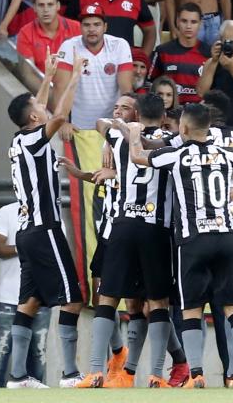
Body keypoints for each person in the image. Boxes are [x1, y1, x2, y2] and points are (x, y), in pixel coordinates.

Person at [124, 103, 233, 389]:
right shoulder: (226, 153)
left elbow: (138, 157)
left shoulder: (176, 153)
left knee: (191, 310)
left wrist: (135, 133)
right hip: (226, 237)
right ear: (208, 128)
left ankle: (196, 373)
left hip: (193, 240)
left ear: (183, 128)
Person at [73, 94, 177, 388]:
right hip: (156, 229)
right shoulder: (172, 141)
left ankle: (95, 371)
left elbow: (98, 122)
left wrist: (115, 130)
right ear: (165, 114)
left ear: (137, 113)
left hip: (122, 226)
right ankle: (156, 374)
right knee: (157, 302)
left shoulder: (120, 138)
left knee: (108, 297)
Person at [5, 43, 85, 389]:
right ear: (34, 118)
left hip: (27, 230)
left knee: (31, 301)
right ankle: (70, 374)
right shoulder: (36, 139)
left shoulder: (18, 140)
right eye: (39, 105)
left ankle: (18, 376)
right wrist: (74, 78)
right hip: (44, 228)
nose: (43, 104)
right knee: (72, 298)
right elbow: (58, 117)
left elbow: (37, 112)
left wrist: (49, 76)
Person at [0, 203, 52, 388]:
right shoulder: (7, 211)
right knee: (1, 349)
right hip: (9, 297)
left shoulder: (51, 214)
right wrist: (25, 247)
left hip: (40, 298)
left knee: (38, 352)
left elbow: (56, 252)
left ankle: (34, 395)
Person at [54, 4, 135, 138]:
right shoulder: (68, 46)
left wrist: (124, 122)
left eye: (97, 24)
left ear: (105, 27)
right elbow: (59, 87)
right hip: (77, 127)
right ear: (80, 27)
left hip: (112, 125)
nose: (91, 29)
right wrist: (61, 121)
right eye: (86, 25)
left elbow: (126, 88)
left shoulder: (120, 45)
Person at [148, 3, 212, 104]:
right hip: (169, 110)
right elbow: (151, 83)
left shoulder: (209, 53)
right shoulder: (162, 51)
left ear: (200, 24)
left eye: (193, 22)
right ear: (177, 22)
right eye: (184, 21)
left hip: (198, 112)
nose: (188, 26)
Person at [17, 0, 82, 75]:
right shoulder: (25, 33)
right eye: (41, 5)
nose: (46, 10)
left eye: (50, 4)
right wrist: (50, 89)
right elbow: (28, 74)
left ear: (58, 6)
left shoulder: (77, 28)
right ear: (34, 8)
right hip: (42, 85)